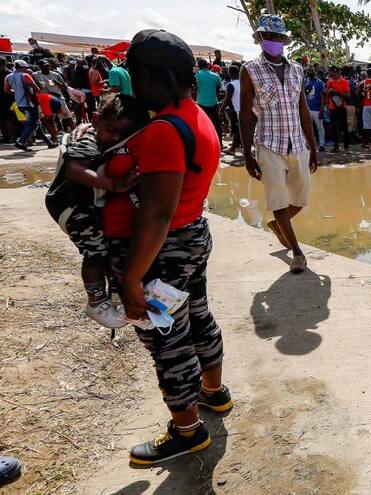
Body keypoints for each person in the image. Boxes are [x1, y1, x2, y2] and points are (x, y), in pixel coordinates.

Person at [105, 28, 229, 465]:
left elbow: (156, 214)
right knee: (197, 317)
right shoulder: (198, 116)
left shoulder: (163, 131)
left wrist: (131, 278)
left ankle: (187, 432)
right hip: (193, 235)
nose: (133, 86)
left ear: (156, 77)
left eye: (136, 76)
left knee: (168, 341)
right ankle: (214, 393)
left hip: (166, 250)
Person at [44, 94, 149, 328]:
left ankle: (109, 297)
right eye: (111, 130)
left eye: (123, 135)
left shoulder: (104, 138)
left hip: (84, 204)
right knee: (96, 252)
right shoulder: (88, 140)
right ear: (95, 119)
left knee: (105, 249)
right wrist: (114, 185)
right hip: (71, 206)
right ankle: (96, 302)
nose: (116, 138)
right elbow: (74, 169)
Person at [240, 14, 320, 273]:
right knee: (277, 199)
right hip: (268, 144)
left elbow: (304, 111)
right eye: (269, 37)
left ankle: (277, 225)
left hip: (297, 143)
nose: (274, 41)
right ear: (260, 39)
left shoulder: (297, 69)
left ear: (284, 40)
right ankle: (297, 252)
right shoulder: (249, 70)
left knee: (301, 197)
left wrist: (313, 146)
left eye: (278, 37)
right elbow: (245, 114)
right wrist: (247, 155)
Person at [3, 60, 56, 151]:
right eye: (25, 68)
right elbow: (37, 89)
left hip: (20, 104)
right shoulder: (25, 76)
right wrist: (42, 100)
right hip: (29, 104)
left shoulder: (8, 77)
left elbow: (7, 90)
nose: (26, 69)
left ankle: (49, 143)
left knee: (36, 123)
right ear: (22, 67)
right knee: (32, 124)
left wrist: (18, 94)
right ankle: (21, 142)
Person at [195, 58, 223, 144]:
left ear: (198, 66)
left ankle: (203, 142)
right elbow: (219, 88)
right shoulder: (215, 76)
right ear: (207, 66)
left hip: (201, 103)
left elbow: (194, 87)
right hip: (213, 103)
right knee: (217, 124)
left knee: (201, 124)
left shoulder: (196, 75)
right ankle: (219, 143)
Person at [325, 66, 350, 152]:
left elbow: (348, 95)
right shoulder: (329, 82)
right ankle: (336, 146)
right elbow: (327, 95)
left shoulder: (344, 82)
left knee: (344, 127)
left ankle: (346, 147)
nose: (329, 73)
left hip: (341, 107)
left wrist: (337, 92)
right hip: (332, 108)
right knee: (333, 128)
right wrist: (327, 105)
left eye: (331, 72)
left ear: (335, 72)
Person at [220, 64, 242, 155]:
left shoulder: (231, 85)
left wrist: (221, 109)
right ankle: (240, 145)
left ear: (231, 73)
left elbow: (228, 99)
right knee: (240, 129)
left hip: (236, 110)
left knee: (236, 129)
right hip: (244, 109)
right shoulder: (242, 82)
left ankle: (232, 149)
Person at [303, 67, 326, 151]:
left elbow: (323, 97)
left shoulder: (319, 82)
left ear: (315, 72)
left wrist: (322, 109)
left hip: (317, 109)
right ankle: (307, 145)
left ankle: (322, 145)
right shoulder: (305, 81)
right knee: (307, 128)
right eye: (309, 71)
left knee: (320, 127)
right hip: (307, 108)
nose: (310, 72)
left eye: (312, 71)